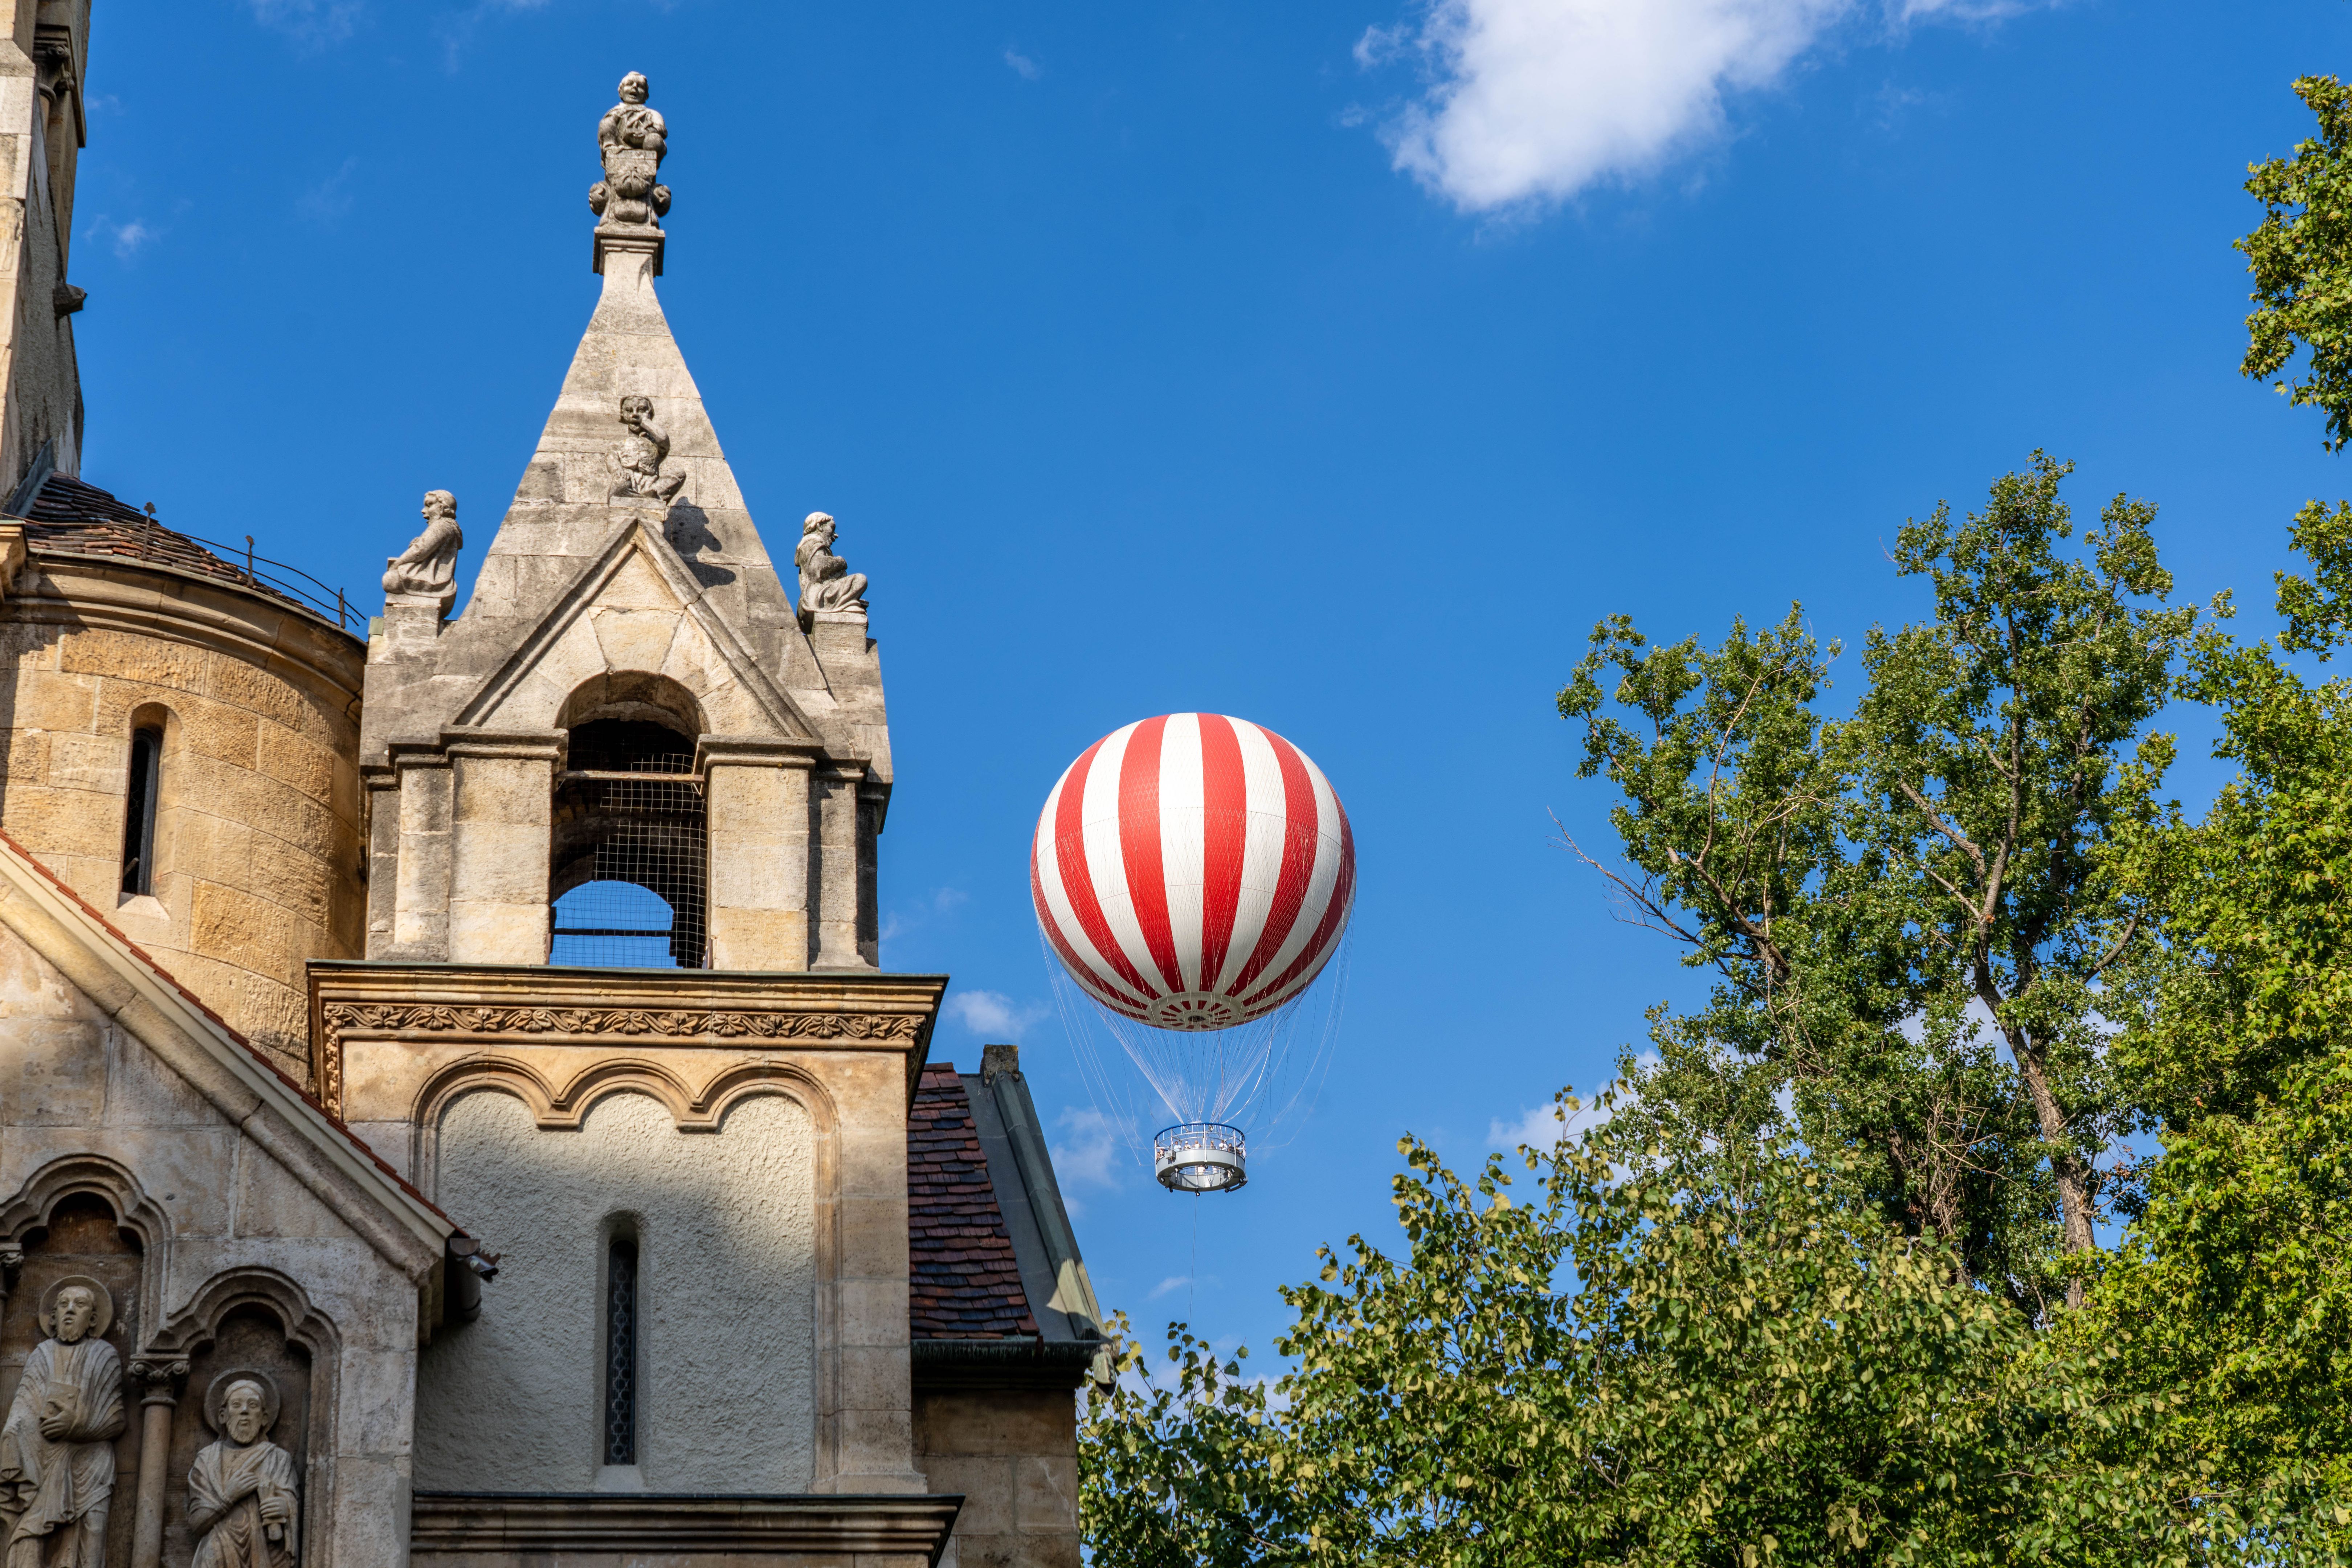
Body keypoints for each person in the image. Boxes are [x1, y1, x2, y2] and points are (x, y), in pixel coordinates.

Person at [0, 1283, 124, 1568]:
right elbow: (24, 1406)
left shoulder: (104, 1354)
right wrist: (12, 1434)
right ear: (53, 1316)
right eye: (63, 1304)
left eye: (79, 1304)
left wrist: (78, 1426)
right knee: (29, 1525)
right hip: (42, 1456)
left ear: (93, 1319)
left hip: (91, 1460)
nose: (70, 1309)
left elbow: (116, 1419)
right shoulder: (41, 1354)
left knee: (93, 1530)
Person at [186, 1380, 296, 1568]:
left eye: (253, 1405)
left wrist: (285, 1508)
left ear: (264, 1418)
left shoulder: (278, 1459)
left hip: (264, 1555)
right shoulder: (208, 1459)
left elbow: (290, 1505)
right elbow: (197, 1524)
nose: (244, 1411)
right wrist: (228, 1497)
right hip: (216, 1554)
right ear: (223, 1415)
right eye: (236, 1405)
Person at [381, 491, 462, 604]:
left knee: (389, 579)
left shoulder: (443, 525)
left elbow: (420, 550)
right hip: (437, 584)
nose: (424, 511)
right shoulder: (447, 526)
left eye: (429, 505)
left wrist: (396, 564)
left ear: (443, 508)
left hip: (435, 585)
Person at [795, 512, 867, 614]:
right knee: (860, 580)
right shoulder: (812, 543)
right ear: (820, 527)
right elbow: (817, 568)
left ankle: (847, 603)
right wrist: (841, 561)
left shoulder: (815, 545)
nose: (835, 535)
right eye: (832, 528)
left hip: (820, 593)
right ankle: (844, 604)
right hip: (816, 597)